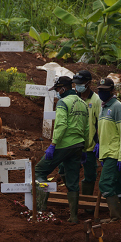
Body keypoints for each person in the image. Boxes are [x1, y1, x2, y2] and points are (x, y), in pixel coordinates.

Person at [34, 75, 90, 223]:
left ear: (63, 88)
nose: (57, 92)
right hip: (78, 145)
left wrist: (53, 145)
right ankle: (73, 217)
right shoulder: (83, 104)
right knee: (73, 182)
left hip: (64, 144)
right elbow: (87, 128)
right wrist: (84, 149)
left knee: (40, 171)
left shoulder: (62, 102)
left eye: (57, 89)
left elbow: (61, 125)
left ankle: (41, 208)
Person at [96, 77, 121, 222]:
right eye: (100, 90)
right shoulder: (103, 107)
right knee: (116, 186)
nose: (101, 93)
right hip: (107, 153)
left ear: (112, 90)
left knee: (105, 184)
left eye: (105, 90)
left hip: (114, 154)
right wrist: (99, 146)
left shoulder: (118, 107)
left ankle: (116, 218)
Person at [72, 70, 102, 200]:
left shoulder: (96, 100)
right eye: (76, 83)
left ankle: (87, 202)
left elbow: (100, 123)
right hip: (73, 144)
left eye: (81, 83)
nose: (77, 86)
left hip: (89, 145)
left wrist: (99, 142)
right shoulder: (73, 98)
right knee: (69, 172)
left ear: (88, 83)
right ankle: (73, 199)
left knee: (90, 175)